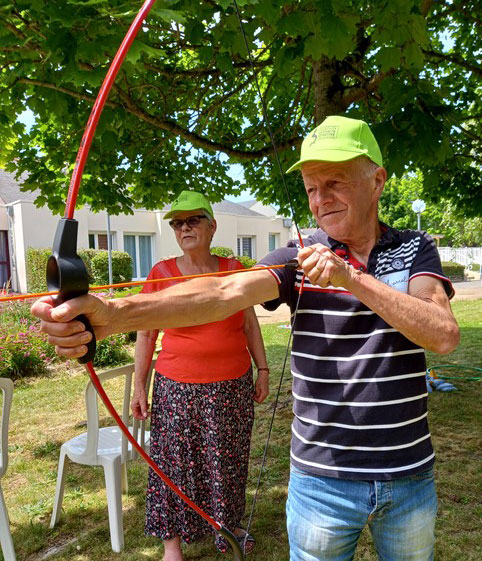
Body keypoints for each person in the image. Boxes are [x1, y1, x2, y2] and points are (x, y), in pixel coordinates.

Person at [33, 116, 460, 561]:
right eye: (312, 188)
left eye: (335, 181)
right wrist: (111, 314)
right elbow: (223, 292)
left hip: (408, 474)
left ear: (377, 180)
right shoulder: (299, 257)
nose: (321, 199)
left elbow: (443, 334)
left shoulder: (414, 248)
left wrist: (351, 279)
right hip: (323, 481)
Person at [130, 190, 269, 560]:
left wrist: (264, 368)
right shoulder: (161, 273)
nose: (185, 228)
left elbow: (251, 324)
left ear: (212, 226)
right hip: (177, 386)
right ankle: (171, 544)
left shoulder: (234, 271)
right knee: (172, 463)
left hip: (231, 384)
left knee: (229, 459)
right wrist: (139, 385)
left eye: (193, 220)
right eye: (178, 223)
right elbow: (146, 332)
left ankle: (228, 526)